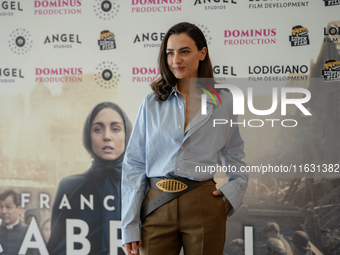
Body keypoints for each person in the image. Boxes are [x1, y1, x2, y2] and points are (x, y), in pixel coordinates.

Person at [122, 22, 248, 255]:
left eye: (184, 51)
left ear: (202, 53)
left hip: (205, 204)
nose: (175, 60)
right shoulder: (151, 103)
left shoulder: (225, 102)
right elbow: (134, 164)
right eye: (170, 53)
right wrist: (129, 225)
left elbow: (235, 152)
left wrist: (232, 193)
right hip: (156, 205)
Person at [47, 102, 132, 255]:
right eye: (98, 129)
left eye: (116, 129)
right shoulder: (69, 187)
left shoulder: (142, 186)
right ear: (88, 136)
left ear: (127, 135)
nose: (107, 137)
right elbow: (57, 249)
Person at [0, 188, 28, 255]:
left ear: (19, 209)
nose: (3, 211)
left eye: (8, 207)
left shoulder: (28, 232)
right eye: (1, 207)